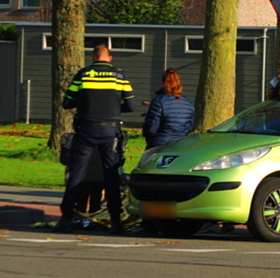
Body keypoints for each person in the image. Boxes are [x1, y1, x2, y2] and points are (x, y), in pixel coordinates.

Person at [52, 45, 135, 235]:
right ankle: (116, 222)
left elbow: (67, 102)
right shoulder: (120, 77)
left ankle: (66, 220)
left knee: (77, 175)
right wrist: (113, 109)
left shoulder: (83, 75)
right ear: (110, 58)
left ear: (92, 57)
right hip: (109, 132)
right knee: (112, 177)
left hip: (86, 130)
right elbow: (130, 106)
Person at [143, 68, 195, 149]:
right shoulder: (188, 103)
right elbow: (190, 127)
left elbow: (151, 129)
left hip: (160, 144)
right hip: (180, 144)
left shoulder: (158, 101)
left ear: (163, 82)